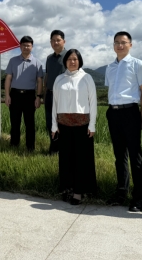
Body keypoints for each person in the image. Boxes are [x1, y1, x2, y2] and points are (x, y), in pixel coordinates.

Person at [104, 31, 142, 212]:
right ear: (113, 45)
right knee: (119, 156)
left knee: (135, 156)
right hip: (113, 113)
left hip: (130, 112)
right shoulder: (110, 67)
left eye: (123, 42)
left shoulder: (137, 64)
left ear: (130, 45)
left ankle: (138, 198)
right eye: (116, 42)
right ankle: (121, 193)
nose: (120, 45)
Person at [51, 49, 97, 205]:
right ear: (65, 61)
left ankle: (79, 191)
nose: (72, 62)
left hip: (82, 125)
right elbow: (55, 103)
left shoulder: (86, 78)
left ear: (79, 61)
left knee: (81, 160)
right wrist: (54, 125)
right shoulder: (59, 79)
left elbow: (93, 102)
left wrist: (92, 124)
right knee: (66, 159)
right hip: (63, 125)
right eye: (69, 59)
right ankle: (67, 188)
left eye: (75, 59)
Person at [4, 36, 44, 151]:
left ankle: (30, 147)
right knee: (15, 122)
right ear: (20, 46)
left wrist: (38, 97)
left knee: (30, 123)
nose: (26, 47)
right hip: (15, 94)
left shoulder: (37, 63)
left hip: (30, 96)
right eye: (24, 45)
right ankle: (14, 145)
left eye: (28, 45)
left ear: (32, 47)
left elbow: (40, 81)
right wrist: (7, 95)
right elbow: (8, 78)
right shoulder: (13, 61)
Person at [44, 30, 66, 155]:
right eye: (53, 40)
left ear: (64, 41)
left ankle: (63, 149)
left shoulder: (69, 56)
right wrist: (44, 93)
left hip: (64, 96)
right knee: (50, 123)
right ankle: (53, 148)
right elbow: (47, 76)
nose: (55, 42)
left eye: (58, 40)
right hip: (50, 94)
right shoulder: (49, 58)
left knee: (62, 123)